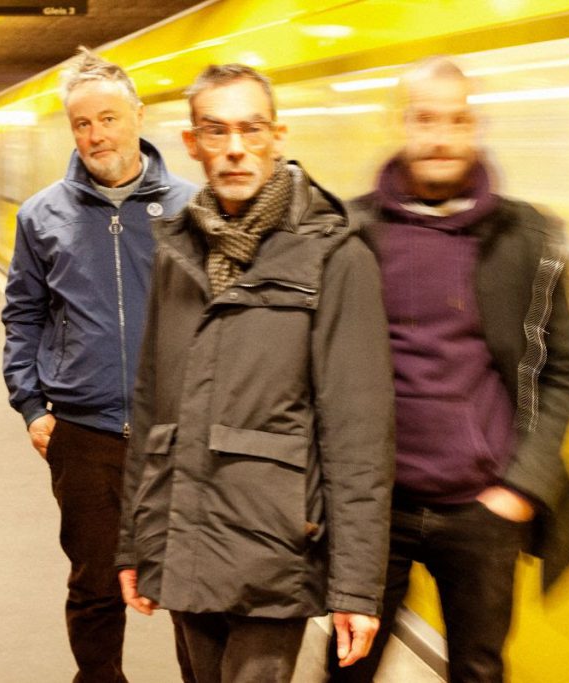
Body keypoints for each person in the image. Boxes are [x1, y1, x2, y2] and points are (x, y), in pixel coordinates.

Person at [115, 64, 395, 683]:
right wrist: (135, 539)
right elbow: (152, 403)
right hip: (186, 535)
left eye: (252, 129)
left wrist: (355, 586)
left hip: (275, 549)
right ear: (192, 143)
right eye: (216, 131)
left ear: (278, 136)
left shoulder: (335, 256)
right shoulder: (178, 252)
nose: (236, 147)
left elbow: (358, 434)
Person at [330, 56, 569, 682]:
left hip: (481, 511)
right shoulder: (351, 231)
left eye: (457, 121)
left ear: (476, 128)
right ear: (401, 123)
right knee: (347, 668)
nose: (441, 137)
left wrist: (522, 487)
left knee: (478, 670)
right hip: (377, 508)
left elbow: (568, 371)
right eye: (426, 119)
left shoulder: (527, 236)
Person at [1, 47, 194, 683]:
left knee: (194, 588)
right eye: (82, 124)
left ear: (138, 115)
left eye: (108, 118)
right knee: (93, 587)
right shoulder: (41, 215)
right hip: (85, 436)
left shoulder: (195, 209)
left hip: (179, 434)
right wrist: (31, 405)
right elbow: (23, 315)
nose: (96, 135)